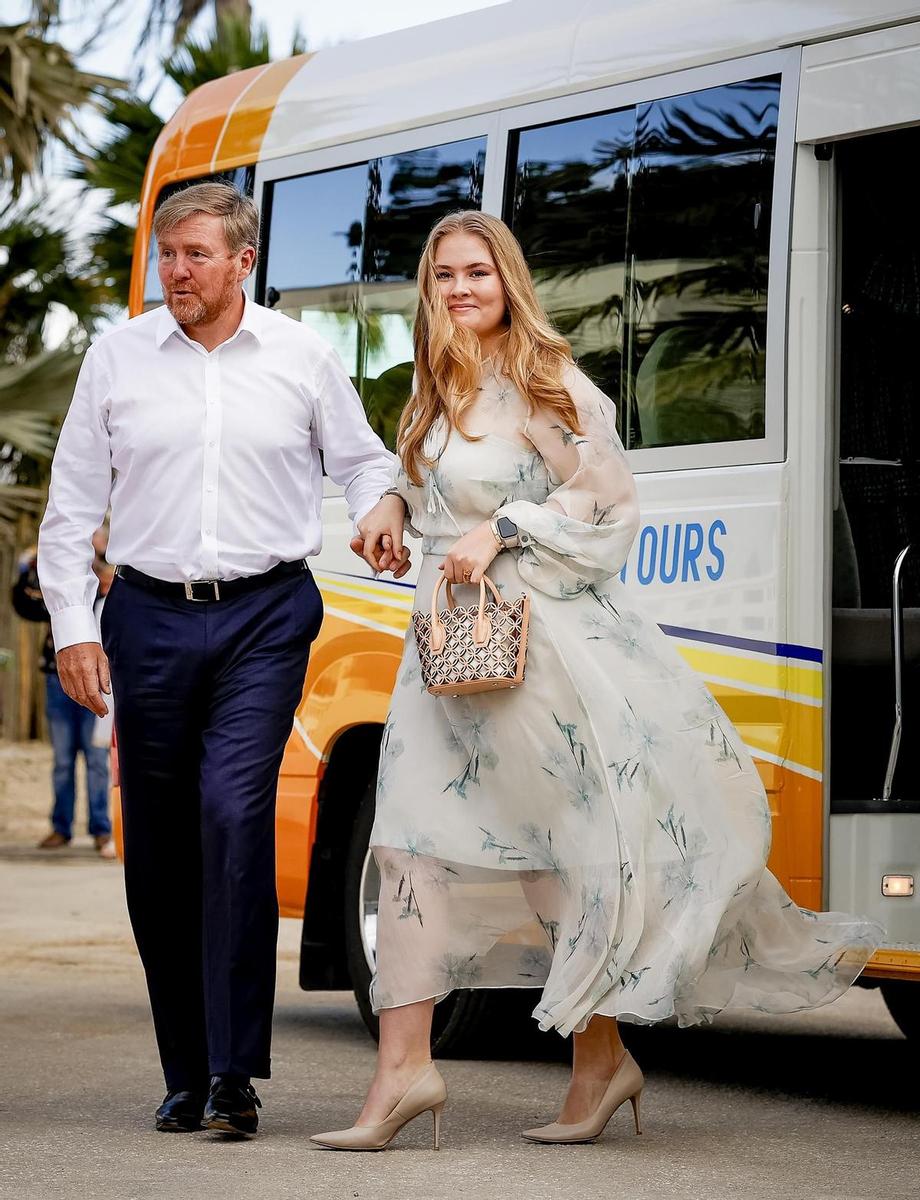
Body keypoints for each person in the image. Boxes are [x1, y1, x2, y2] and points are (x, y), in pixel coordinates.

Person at [311, 211, 884, 1152]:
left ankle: (600, 1061)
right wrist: (386, 510)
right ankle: (403, 1072)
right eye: (444, 275)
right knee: (408, 845)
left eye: (477, 275)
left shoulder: (546, 383)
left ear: (509, 284)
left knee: (552, 858)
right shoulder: (433, 384)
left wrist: (511, 527)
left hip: (530, 649)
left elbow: (610, 502)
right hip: (443, 646)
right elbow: (423, 493)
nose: (459, 290)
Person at [37, 182, 406, 1138]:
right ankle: (185, 1066)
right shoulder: (115, 359)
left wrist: (379, 505)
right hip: (147, 619)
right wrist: (74, 626)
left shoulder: (301, 356)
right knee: (158, 842)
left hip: (265, 615)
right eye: (168, 254)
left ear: (245, 262)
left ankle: (236, 1073)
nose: (177, 272)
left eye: (197, 255)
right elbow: (73, 507)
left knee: (234, 812)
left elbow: (365, 462)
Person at [12, 531, 115, 858]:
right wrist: (30, 567)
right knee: (62, 759)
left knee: (98, 758)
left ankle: (102, 829)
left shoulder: (118, 567)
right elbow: (25, 604)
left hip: (100, 680)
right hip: (58, 680)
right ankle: (61, 827)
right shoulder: (57, 571)